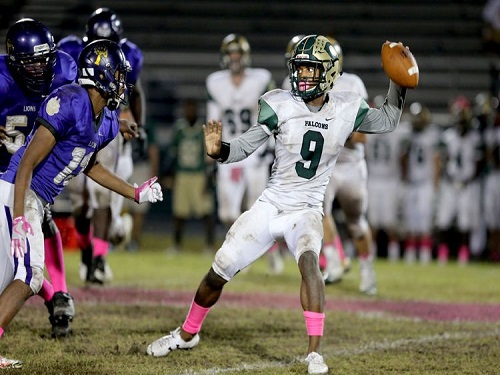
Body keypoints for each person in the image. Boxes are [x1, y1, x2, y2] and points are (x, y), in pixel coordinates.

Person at [146, 35, 409, 375]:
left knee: (310, 264)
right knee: (219, 269)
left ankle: (314, 353)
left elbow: (388, 119)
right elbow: (246, 145)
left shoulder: (348, 106)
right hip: (271, 203)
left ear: (329, 73)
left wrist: (397, 84)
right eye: (300, 68)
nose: (303, 76)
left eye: (311, 70)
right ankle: (187, 332)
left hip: (307, 209)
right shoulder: (279, 103)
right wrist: (220, 151)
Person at [0, 39, 162, 368]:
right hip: (18, 191)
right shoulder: (70, 99)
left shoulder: (104, 118)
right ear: (99, 74)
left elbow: (89, 165)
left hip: (25, 195)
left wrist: (135, 193)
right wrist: (19, 218)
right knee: (29, 275)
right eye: (116, 74)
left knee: (7, 279)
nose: (121, 81)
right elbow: (27, 164)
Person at [0, 18, 78, 338]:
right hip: (3, 165)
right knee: (12, 253)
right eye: (31, 64)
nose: (41, 69)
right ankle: (53, 295)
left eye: (44, 59)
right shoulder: (2, 79)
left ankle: (58, 295)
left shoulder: (63, 71)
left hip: (36, 167)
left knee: (41, 223)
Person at [57, 7, 147, 282]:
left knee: (101, 194)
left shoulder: (127, 55)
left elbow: (135, 92)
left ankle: (98, 259)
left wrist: (138, 128)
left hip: (108, 124)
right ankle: (93, 249)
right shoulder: (68, 50)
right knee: (80, 205)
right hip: (75, 126)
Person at [320, 37, 375, 294]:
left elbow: (363, 132)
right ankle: (333, 262)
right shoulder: (311, 84)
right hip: (327, 164)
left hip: (351, 164)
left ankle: (367, 272)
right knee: (318, 210)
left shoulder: (352, 84)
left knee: (356, 223)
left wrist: (336, 130)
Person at [206, 33, 275, 231]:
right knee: (227, 213)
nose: (234, 58)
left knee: (258, 208)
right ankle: (241, 243)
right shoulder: (215, 82)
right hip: (229, 150)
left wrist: (269, 146)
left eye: (238, 53)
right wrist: (211, 154)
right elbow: (213, 120)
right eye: (231, 53)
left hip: (255, 150)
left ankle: (267, 252)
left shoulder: (261, 79)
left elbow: (270, 115)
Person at [435, 96, 484, 264]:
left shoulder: (475, 138)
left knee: (465, 221)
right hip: (450, 182)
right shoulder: (448, 136)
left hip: (467, 184)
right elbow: (443, 160)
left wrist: (467, 180)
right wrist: (447, 177)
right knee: (444, 218)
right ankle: (443, 252)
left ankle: (464, 253)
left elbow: (478, 164)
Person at [165, 98, 216, 254]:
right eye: (187, 108)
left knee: (205, 212)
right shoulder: (179, 128)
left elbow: (210, 156)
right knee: (179, 212)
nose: (189, 112)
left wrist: (209, 179)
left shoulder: (203, 129)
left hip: (198, 174)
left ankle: (209, 245)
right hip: (182, 174)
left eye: (192, 108)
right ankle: (176, 245)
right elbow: (172, 153)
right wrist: (169, 174)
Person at [400, 103, 441, 264]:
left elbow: (437, 161)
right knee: (411, 218)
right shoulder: (407, 135)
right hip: (412, 182)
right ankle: (410, 251)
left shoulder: (433, 135)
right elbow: (402, 158)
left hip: (425, 182)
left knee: (425, 219)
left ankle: (424, 252)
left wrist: (436, 183)